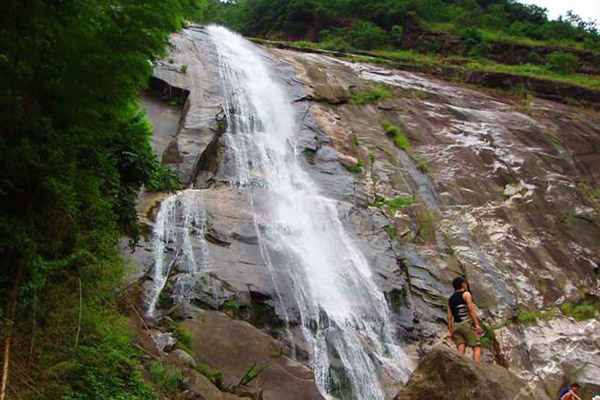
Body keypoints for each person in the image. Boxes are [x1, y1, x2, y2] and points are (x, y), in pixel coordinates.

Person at [446, 276, 483, 362]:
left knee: (461, 347)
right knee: (476, 347)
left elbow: (449, 317)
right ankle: (477, 369)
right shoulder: (466, 294)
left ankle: (459, 367)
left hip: (456, 325)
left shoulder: (450, 299)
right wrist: (477, 325)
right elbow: (471, 309)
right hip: (466, 324)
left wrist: (451, 331)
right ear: (463, 284)